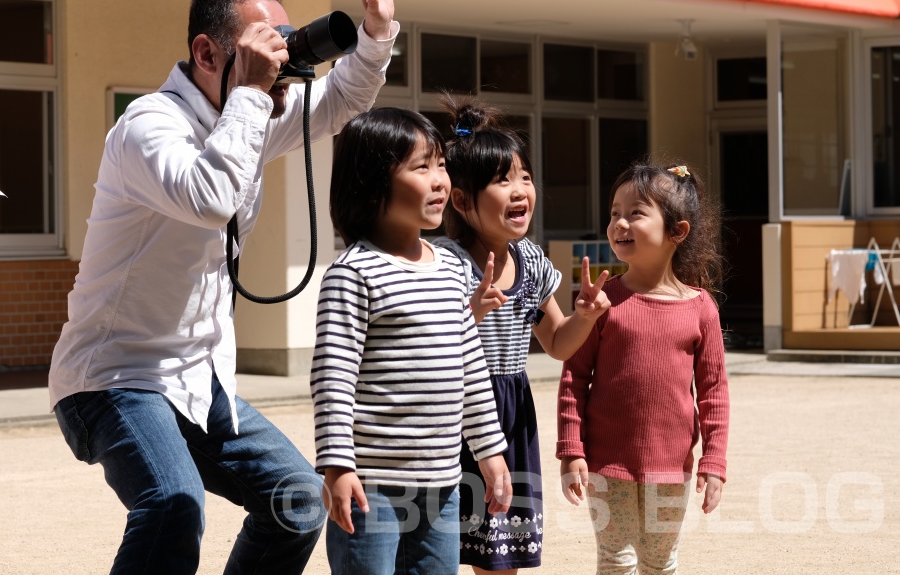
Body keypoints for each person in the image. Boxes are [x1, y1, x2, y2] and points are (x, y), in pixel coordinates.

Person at [48, 0, 399, 575]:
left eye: (285, 43)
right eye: (263, 46)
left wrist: (375, 30)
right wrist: (251, 96)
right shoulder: (148, 126)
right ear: (208, 53)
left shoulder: (250, 120)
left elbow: (343, 100)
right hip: (114, 377)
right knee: (172, 504)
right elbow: (209, 196)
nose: (280, 62)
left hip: (199, 376)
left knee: (295, 499)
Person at [312, 106, 514, 575]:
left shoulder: (449, 267)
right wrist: (337, 467)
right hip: (371, 487)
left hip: (442, 485)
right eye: (421, 167)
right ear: (372, 182)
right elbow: (332, 380)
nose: (440, 180)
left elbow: (470, 368)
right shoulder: (354, 273)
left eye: (440, 164)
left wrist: (489, 450)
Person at [433, 96, 610, 574]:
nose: (519, 190)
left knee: (501, 553)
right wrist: (471, 312)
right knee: (444, 544)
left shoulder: (529, 260)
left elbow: (557, 344)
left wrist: (586, 317)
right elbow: (430, 347)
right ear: (462, 200)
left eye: (524, 177)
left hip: (512, 411)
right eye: (501, 180)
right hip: (458, 408)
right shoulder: (444, 262)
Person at [557, 161, 730, 575]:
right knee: (616, 562)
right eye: (614, 212)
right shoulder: (603, 302)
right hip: (605, 461)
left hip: (672, 466)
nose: (619, 223)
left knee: (659, 562)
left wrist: (714, 461)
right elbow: (573, 378)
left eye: (635, 212)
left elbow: (713, 391)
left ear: (677, 231)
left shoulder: (701, 307)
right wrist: (570, 451)